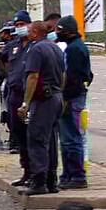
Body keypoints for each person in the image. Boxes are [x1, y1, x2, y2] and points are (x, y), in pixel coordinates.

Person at [17, 21, 66, 195]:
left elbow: (33, 77)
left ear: (36, 33)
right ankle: (52, 181)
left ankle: (38, 182)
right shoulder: (55, 48)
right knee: (51, 141)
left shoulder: (36, 49)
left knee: (37, 139)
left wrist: (26, 103)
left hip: (43, 99)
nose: (27, 33)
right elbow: (63, 75)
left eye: (29, 30)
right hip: (56, 96)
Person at [55, 15, 93, 189]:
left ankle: (77, 176)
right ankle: (68, 174)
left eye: (59, 30)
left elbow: (74, 77)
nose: (56, 33)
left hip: (72, 97)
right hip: (72, 96)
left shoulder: (75, 50)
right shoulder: (73, 47)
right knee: (66, 139)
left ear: (68, 32)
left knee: (71, 138)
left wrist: (66, 99)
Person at [1, 11, 32, 183]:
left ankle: (37, 172)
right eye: (17, 25)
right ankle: (26, 171)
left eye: (22, 24)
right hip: (14, 93)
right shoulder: (13, 45)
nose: (20, 28)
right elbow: (0, 60)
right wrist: (11, 74)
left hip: (30, 95)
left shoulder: (35, 45)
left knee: (32, 134)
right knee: (18, 132)